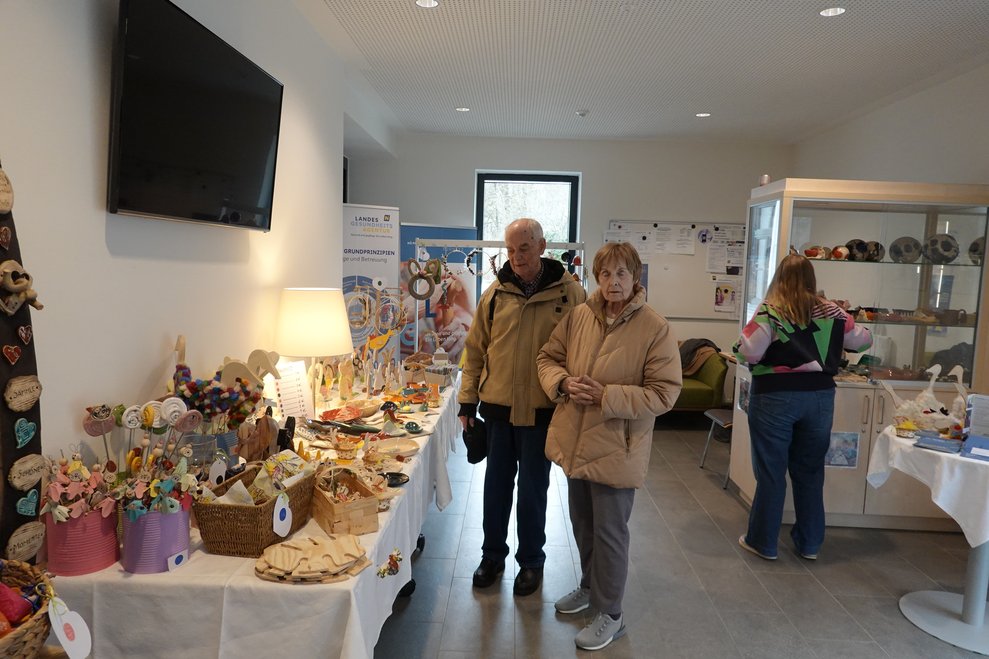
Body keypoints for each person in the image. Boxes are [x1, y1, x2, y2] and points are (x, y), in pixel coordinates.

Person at [536, 242, 682, 651]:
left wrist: (606, 395)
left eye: (621, 274)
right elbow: (548, 358)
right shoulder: (580, 316)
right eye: (605, 274)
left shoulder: (655, 327)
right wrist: (563, 383)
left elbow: (664, 394)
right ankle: (589, 589)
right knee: (582, 524)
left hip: (619, 446)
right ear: (595, 277)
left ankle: (611, 614)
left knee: (611, 532)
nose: (613, 282)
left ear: (635, 278)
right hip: (576, 441)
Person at [458, 217, 586, 596]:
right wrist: (467, 400)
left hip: (542, 410)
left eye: (524, 249)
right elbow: (475, 351)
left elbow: (581, 350)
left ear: (542, 246)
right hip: (497, 410)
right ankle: (492, 556)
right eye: (510, 250)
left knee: (534, 490)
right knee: (495, 489)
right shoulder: (495, 295)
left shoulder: (570, 295)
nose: (516, 257)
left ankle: (531, 562)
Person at [733, 254, 872, 561]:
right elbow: (863, 342)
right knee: (810, 471)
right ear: (811, 279)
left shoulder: (771, 309)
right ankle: (809, 544)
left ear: (779, 277)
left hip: (775, 397)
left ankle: (763, 542)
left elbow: (749, 352)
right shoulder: (833, 311)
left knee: (771, 472)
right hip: (820, 397)